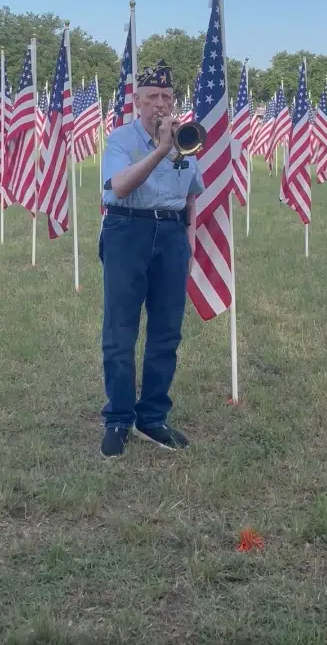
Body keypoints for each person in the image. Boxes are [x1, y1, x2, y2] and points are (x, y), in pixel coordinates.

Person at [99, 60, 204, 459]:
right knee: (120, 331)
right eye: (152, 98)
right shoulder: (121, 139)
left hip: (173, 235)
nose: (160, 104)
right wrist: (162, 149)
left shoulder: (187, 139)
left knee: (166, 332)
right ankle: (119, 418)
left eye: (167, 96)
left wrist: (188, 245)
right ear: (137, 102)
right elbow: (120, 187)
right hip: (128, 231)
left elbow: (192, 196)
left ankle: (153, 417)